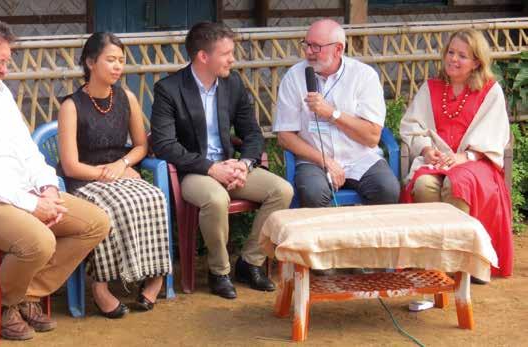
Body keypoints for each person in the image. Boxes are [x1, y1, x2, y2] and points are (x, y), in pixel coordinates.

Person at [0, 16, 109, 340]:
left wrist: (49, 189)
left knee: (95, 222)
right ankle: (3, 305)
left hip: (19, 193)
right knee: (39, 241)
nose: (5, 71)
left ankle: (22, 295)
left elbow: (27, 152)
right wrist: (30, 204)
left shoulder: (1, 94)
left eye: (6, 62)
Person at [151, 22, 293, 300]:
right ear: (203, 56)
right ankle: (219, 271)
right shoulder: (168, 90)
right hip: (194, 172)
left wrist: (245, 164)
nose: (232, 59)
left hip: (230, 166)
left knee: (282, 191)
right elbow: (165, 145)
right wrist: (211, 168)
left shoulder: (232, 84)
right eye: (226, 53)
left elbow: (252, 132)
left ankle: (250, 263)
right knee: (216, 199)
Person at [58, 32, 171, 317]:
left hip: (118, 171)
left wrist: (122, 165)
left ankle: (155, 276)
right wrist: (105, 174)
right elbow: (70, 165)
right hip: (85, 179)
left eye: (121, 61)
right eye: (111, 60)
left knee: (153, 195)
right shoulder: (71, 106)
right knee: (114, 207)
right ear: (90, 62)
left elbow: (141, 145)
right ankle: (100, 285)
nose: (118, 66)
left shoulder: (126, 98)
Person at [400, 29, 512, 280]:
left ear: (476, 62)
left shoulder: (490, 91)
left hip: (475, 163)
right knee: (424, 184)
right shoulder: (431, 88)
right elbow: (411, 126)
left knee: (457, 183)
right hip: (436, 161)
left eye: (462, 55)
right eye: (451, 52)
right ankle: (434, 263)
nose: (453, 59)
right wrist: (427, 150)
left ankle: (463, 262)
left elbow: (494, 135)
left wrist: (463, 158)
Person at [273, 19, 400, 207]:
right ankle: (326, 237)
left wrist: (332, 114)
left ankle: (363, 236)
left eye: (316, 47)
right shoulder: (294, 77)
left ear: (338, 49)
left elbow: (372, 137)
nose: (308, 52)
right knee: (313, 192)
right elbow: (285, 136)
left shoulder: (364, 76)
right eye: (306, 45)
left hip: (360, 158)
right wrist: (324, 160)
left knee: (387, 189)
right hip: (314, 161)